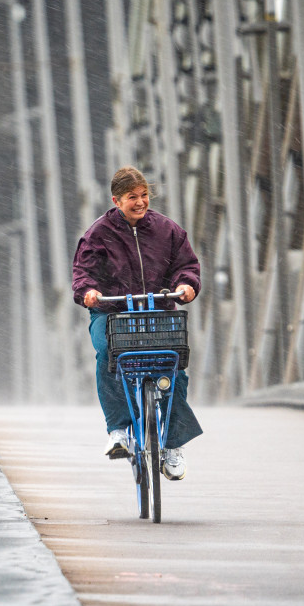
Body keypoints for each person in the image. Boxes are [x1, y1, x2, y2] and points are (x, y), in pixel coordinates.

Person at [72, 166, 203, 480]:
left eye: (144, 195)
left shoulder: (167, 230)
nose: (141, 202)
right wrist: (89, 292)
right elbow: (83, 272)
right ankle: (118, 430)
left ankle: (172, 446)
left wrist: (187, 286)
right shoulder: (98, 234)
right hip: (112, 313)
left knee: (174, 367)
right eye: (133, 197)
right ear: (117, 200)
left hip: (157, 311)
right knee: (108, 357)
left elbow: (186, 265)